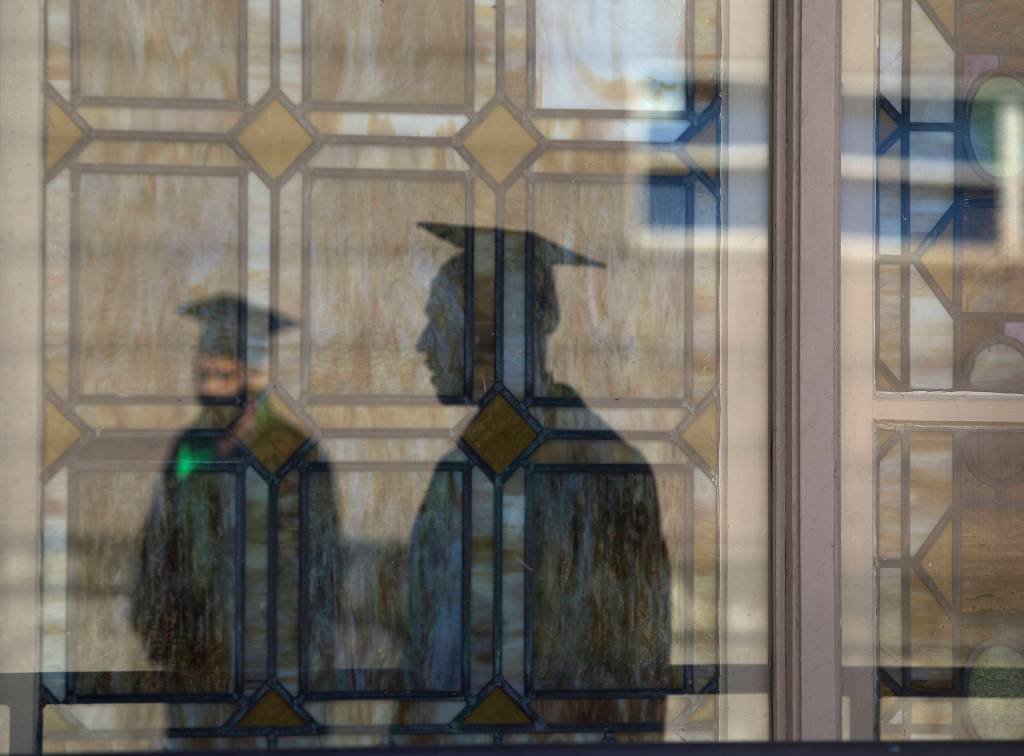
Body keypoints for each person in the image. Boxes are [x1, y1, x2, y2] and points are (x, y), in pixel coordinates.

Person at [401, 224, 671, 732]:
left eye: (439, 320)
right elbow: (425, 653)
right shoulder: (458, 472)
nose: (422, 343)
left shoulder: (604, 472)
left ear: (491, 334)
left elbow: (629, 674)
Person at [130, 295, 341, 695]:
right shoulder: (191, 446)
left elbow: (319, 560)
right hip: (195, 654)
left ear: (253, 379)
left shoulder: (292, 450)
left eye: (223, 376)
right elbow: (160, 537)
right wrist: (158, 628)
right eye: (204, 373)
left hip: (273, 656)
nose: (209, 388)